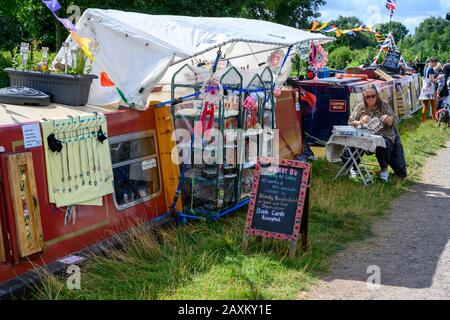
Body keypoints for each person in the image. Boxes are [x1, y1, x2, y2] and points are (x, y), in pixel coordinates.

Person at [348, 85, 407, 183]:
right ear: (364, 97)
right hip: (365, 135)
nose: (370, 99)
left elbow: (395, 120)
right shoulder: (360, 106)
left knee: (384, 144)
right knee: (353, 143)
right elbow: (350, 121)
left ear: (377, 96)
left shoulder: (384, 106)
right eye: (367, 97)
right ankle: (354, 168)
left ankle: (384, 170)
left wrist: (388, 119)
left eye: (373, 96)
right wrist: (360, 122)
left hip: (384, 135)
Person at [420, 57, 439, 122]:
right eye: (436, 63)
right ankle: (435, 120)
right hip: (430, 90)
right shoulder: (431, 69)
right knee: (434, 105)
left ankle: (423, 121)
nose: (436, 65)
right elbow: (432, 80)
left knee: (425, 106)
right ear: (433, 62)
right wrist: (438, 77)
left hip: (425, 89)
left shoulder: (426, 67)